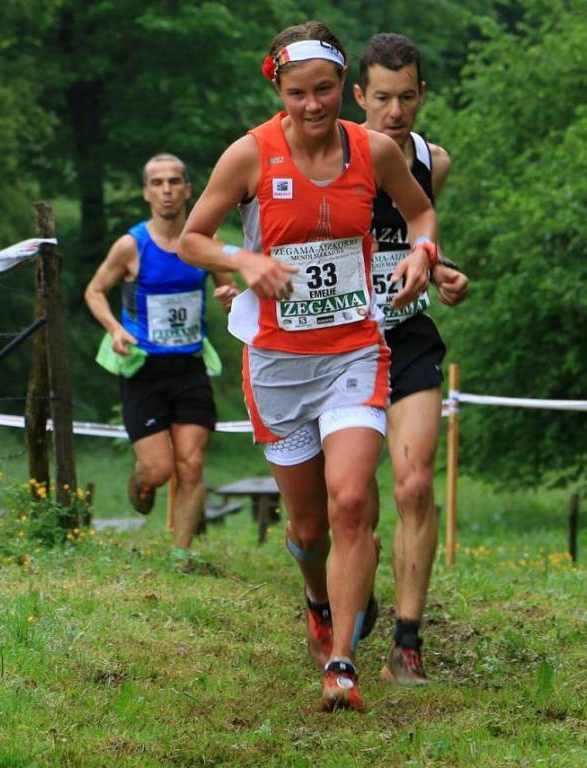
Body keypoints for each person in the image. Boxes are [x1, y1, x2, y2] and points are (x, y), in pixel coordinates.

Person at [179, 21, 438, 711]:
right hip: (278, 363)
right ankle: (317, 596)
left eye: (325, 89)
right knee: (308, 528)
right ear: (279, 90)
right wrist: (244, 260)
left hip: (355, 350)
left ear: (343, 84)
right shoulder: (250, 155)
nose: (314, 104)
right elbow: (192, 239)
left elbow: (421, 214)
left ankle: (343, 666)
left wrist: (423, 253)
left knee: (351, 501)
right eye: (298, 93)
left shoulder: (373, 150)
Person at [353, 32, 469, 683]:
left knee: (415, 483)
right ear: (359, 96)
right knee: (354, 507)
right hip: (340, 346)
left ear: (421, 94)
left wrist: (442, 269)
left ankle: (407, 641)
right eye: (382, 98)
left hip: (406, 336)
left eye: (406, 97)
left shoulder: (432, 162)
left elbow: (419, 234)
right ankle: (352, 581)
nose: (395, 112)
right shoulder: (330, 160)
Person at [84, 154, 238, 558]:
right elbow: (94, 291)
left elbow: (230, 291)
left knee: (192, 464)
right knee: (160, 469)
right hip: (144, 369)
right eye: (157, 183)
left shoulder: (203, 243)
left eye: (174, 182)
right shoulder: (131, 245)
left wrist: (231, 296)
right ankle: (142, 476)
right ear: (146, 193)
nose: (166, 190)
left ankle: (182, 553)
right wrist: (114, 329)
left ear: (187, 190)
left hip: (190, 366)